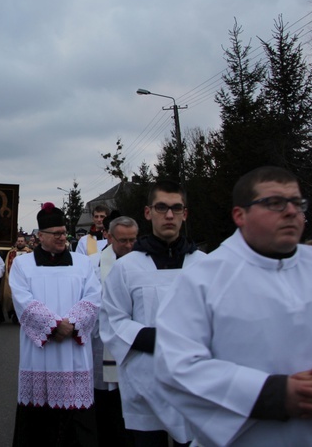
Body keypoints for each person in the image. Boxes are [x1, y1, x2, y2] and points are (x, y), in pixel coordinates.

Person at [155, 166, 312, 446]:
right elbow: (176, 366)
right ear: (240, 215)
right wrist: (274, 394)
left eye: (297, 203)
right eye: (274, 203)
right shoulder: (203, 280)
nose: (290, 212)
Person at [102, 180, 206, 446]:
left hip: (196, 383)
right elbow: (112, 320)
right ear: (148, 213)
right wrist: (157, 339)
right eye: (161, 207)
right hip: (145, 383)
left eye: (176, 208)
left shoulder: (206, 266)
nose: (169, 215)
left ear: (185, 213)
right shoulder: (127, 268)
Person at [10, 202, 101, 446]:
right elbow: (23, 301)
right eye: (57, 233)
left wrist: (71, 323)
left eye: (64, 232)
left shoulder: (83, 264)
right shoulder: (22, 265)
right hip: (40, 355)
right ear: (40, 236)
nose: (63, 237)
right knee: (39, 429)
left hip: (75, 354)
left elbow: (93, 297)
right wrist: (53, 325)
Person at [90, 215, 138, 447]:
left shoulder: (143, 264)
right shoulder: (93, 263)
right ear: (108, 237)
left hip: (134, 344)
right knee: (107, 403)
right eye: (123, 241)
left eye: (133, 241)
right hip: (103, 345)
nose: (129, 246)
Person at [2, 235, 32, 324]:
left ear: (25, 242)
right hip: (13, 278)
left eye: (22, 241)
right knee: (13, 297)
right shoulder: (11, 253)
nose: (20, 243)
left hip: (25, 279)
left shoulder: (30, 252)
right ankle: (14, 314)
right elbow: (7, 265)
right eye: (18, 241)